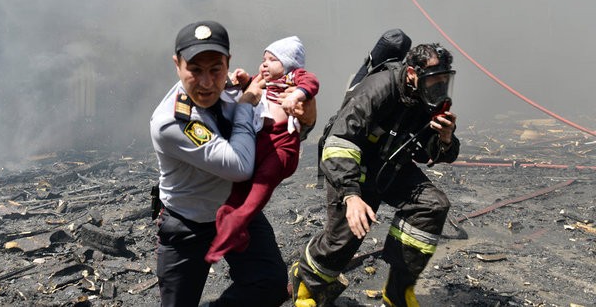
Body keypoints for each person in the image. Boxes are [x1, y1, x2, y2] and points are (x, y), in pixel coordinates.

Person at [150, 21, 314, 307]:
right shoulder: (172, 120)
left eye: (215, 69)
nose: (206, 82)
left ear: (227, 63)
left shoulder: (235, 87)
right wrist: (246, 105)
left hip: (235, 209)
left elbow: (279, 126)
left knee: (271, 285)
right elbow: (240, 165)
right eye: (195, 70)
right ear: (177, 65)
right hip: (189, 221)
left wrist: (307, 117)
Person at [290, 43, 460, 307]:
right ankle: (306, 285)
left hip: (391, 164)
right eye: (433, 80)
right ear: (413, 73)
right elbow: (340, 141)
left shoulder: (425, 97)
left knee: (432, 205)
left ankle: (398, 291)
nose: (438, 87)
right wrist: (351, 195)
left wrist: (445, 138)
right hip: (354, 165)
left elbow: (427, 153)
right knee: (344, 238)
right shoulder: (378, 89)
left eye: (443, 80)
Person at [205, 36, 320, 263]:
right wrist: (246, 90)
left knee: (261, 181)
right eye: (263, 59)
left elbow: (310, 88)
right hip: (206, 193)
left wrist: (301, 104)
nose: (264, 64)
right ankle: (233, 220)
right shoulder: (190, 108)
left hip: (277, 143)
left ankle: (239, 220)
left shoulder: (290, 78)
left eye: (271, 59)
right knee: (244, 182)